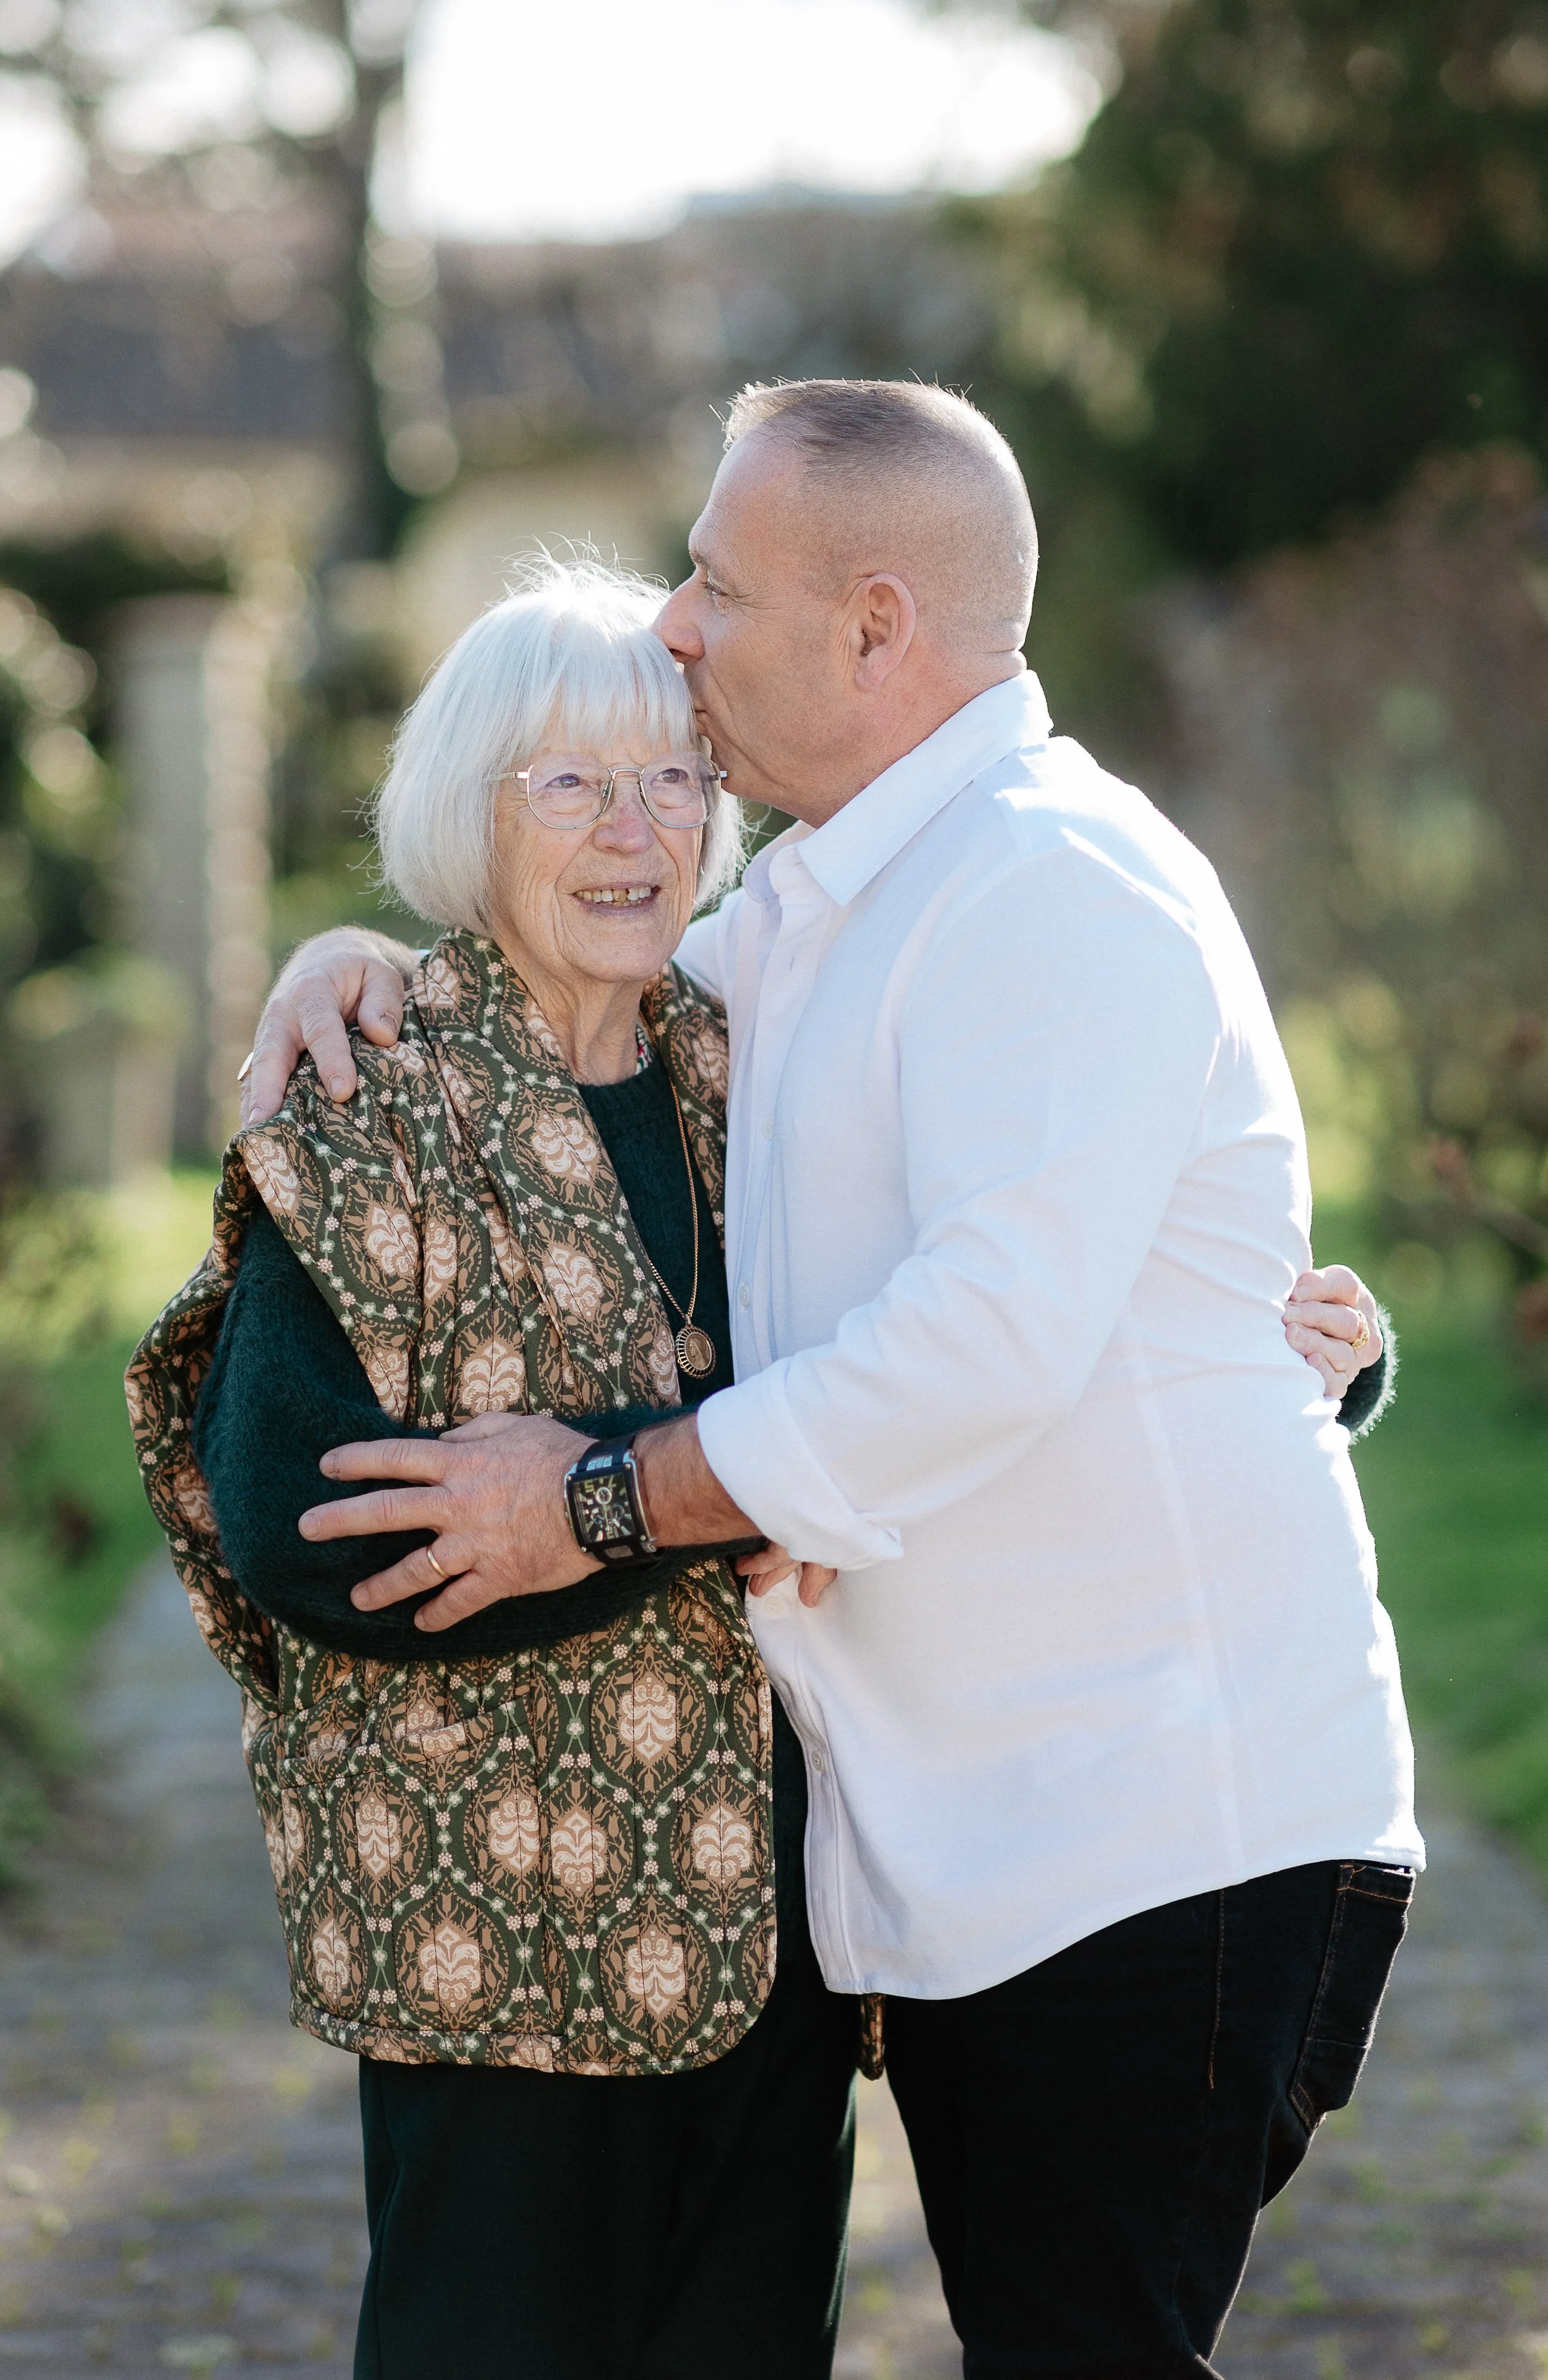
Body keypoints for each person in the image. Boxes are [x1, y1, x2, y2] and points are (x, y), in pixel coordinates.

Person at [238, 383, 1412, 2380]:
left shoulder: (1045, 882)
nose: (680, 628)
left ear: (874, 625)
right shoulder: (811, 923)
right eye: (685, 582)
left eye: (713, 580)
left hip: (1148, 1837)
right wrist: (357, 959)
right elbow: (559, 1011)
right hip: (930, 1874)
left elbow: (982, 1340)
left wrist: (599, 1500)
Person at [128, 564, 862, 2380]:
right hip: (493, 1942)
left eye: (678, 778)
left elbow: (962, 1329)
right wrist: (700, 1502)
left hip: (777, 1934)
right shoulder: (375, 1089)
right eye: (570, 784)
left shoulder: (756, 1067)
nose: (638, 829)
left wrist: (1260, 1338)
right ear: (466, 816)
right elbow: (312, 1531)